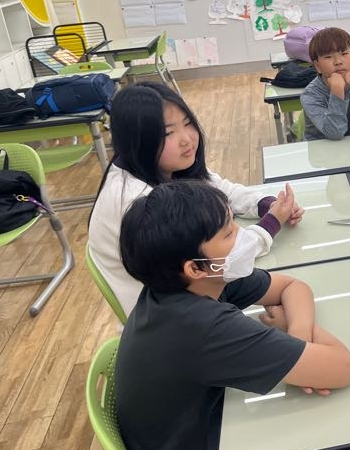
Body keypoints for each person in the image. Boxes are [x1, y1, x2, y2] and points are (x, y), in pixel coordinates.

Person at [114, 180, 350, 450]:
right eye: (228, 233)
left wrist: (297, 336)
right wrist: (292, 336)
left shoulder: (197, 281)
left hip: (190, 439)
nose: (242, 234)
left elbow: (293, 287)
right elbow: (344, 368)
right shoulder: (203, 327)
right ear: (195, 267)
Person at [88, 82, 303, 317]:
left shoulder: (157, 164)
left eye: (188, 123)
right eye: (168, 133)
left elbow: (222, 190)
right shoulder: (138, 202)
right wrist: (272, 221)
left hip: (196, 295)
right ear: (138, 140)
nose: (187, 139)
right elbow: (222, 260)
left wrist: (266, 204)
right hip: (171, 316)